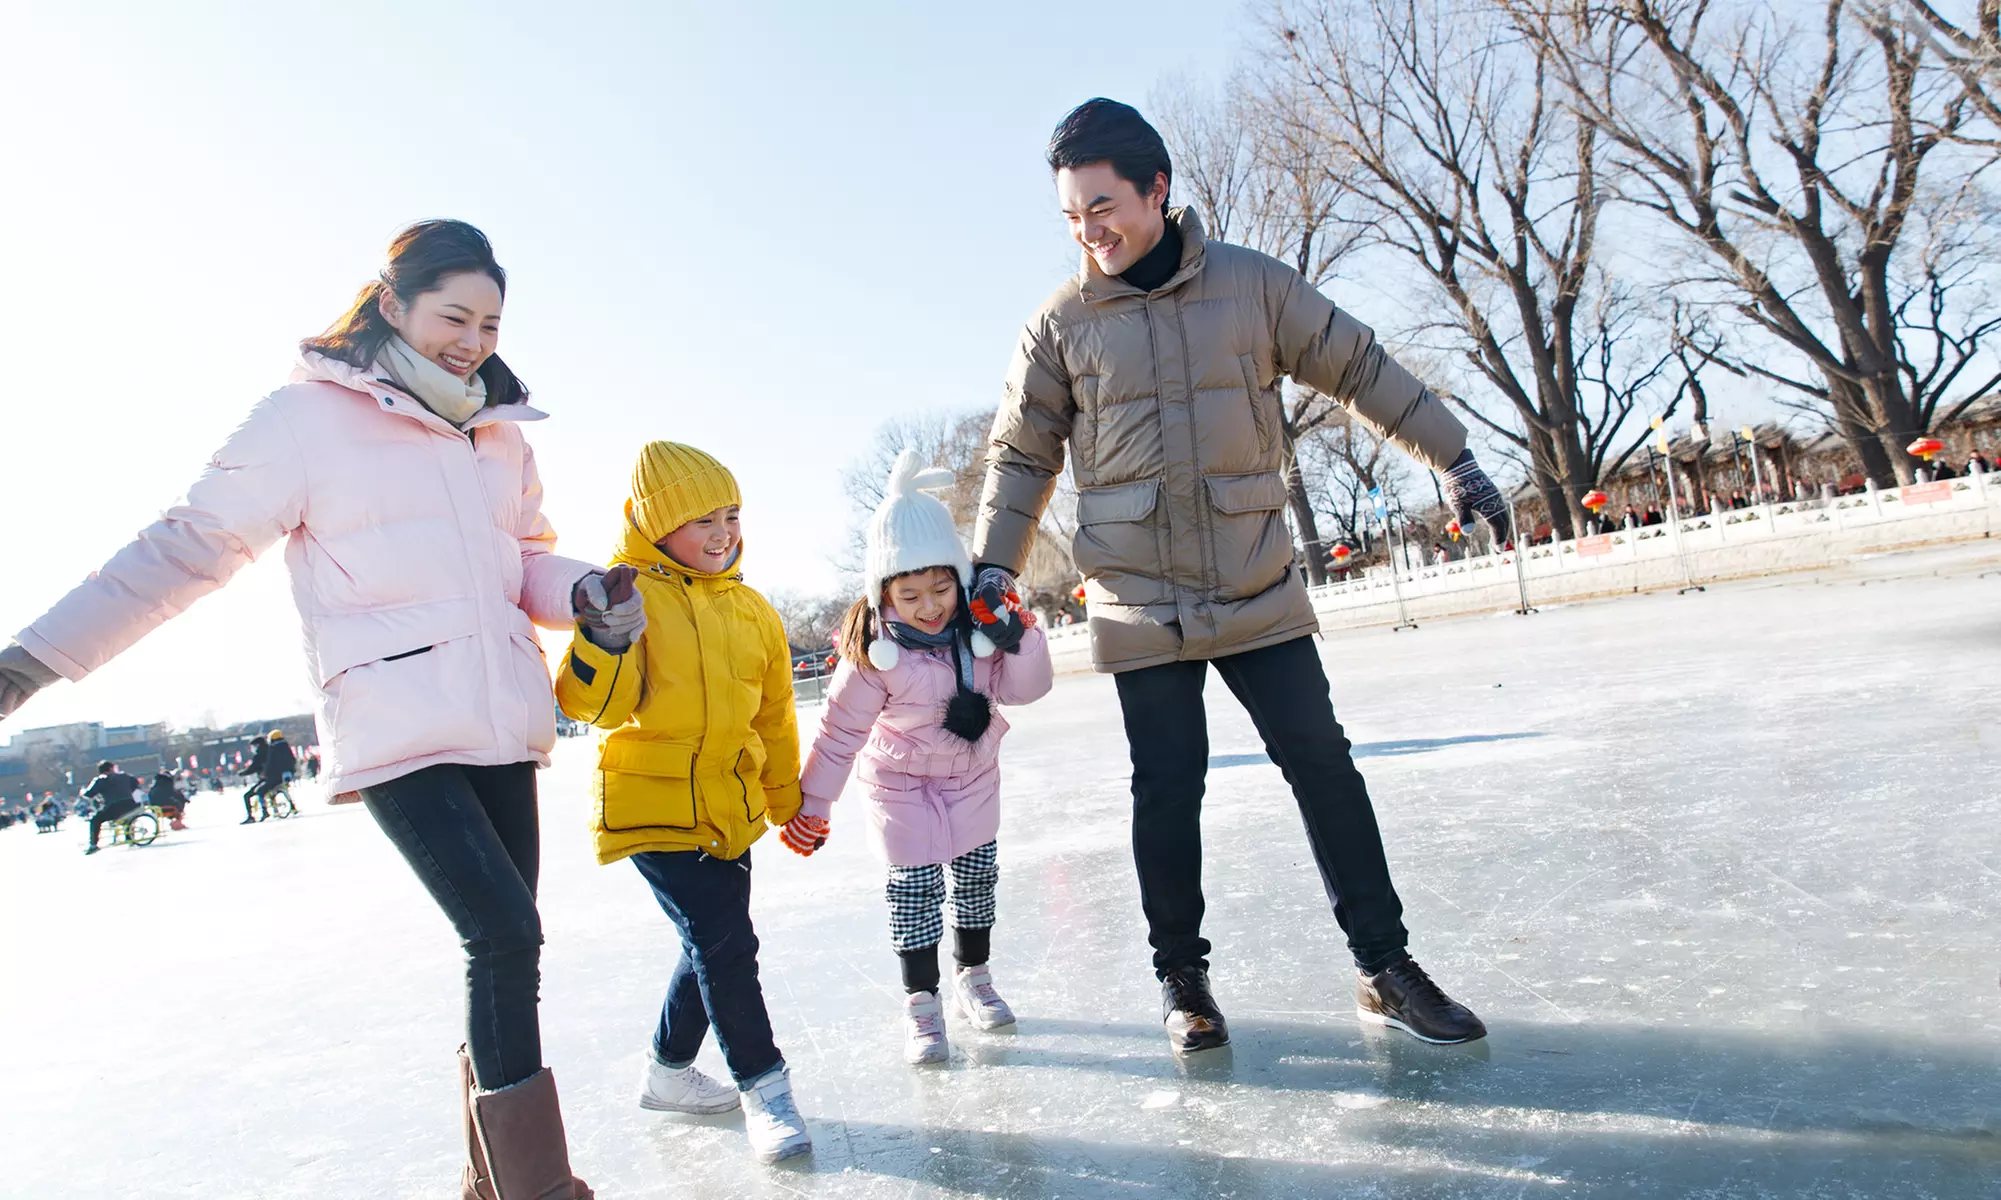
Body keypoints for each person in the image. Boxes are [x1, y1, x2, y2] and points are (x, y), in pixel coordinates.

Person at [0, 220, 599, 1198]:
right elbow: (189, 545)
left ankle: (488, 1185)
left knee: (504, 952)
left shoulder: (497, 433)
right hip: (394, 721)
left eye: (491, 322)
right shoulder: (304, 419)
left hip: (499, 712)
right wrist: (33, 659)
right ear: (392, 303)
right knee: (502, 936)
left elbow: (522, 557)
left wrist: (585, 591)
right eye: (454, 315)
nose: (474, 340)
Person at [970, 99, 1497, 1053]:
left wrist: (1450, 456)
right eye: (1070, 217)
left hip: (1255, 581)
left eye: (1102, 206)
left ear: (1157, 190)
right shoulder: (1060, 325)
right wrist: (992, 572)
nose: (1089, 232)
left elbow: (1359, 366)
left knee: (1324, 768)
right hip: (1137, 599)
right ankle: (1183, 982)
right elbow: (1018, 457)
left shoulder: (1253, 287)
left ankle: (1385, 966)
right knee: (1166, 791)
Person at [553, 442, 811, 1165]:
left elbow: (775, 717)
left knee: (713, 942)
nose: (723, 532)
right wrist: (603, 639)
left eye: (730, 515)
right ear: (654, 524)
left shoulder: (753, 610)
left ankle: (667, 1072)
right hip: (652, 807)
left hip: (727, 806)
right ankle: (766, 1089)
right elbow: (592, 706)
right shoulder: (632, 597)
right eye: (703, 519)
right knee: (725, 944)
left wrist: (784, 797)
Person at [791, 451, 1056, 1066]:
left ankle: (974, 976)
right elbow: (839, 731)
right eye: (910, 594)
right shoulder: (874, 653)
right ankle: (921, 1002)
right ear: (884, 593)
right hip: (898, 785)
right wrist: (814, 801)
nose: (929, 606)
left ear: (959, 582)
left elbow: (1026, 689)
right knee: (912, 892)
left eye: (940, 589)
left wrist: (1022, 637)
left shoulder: (981, 632)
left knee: (976, 882)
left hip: (971, 777)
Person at [81, 762, 143, 855]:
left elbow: (89, 794)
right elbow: (136, 785)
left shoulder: (101, 780)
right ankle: (130, 837)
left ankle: (93, 844)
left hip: (114, 808)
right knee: (126, 817)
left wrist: (82, 791)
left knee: (95, 820)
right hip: (131, 804)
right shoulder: (125, 776)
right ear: (111, 768)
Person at [238, 735, 271, 824]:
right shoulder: (271, 751)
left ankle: (251, 816)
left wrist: (243, 773)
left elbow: (253, 768)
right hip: (273, 777)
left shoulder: (259, 755)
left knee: (247, 795)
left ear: (257, 745)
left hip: (265, 779)